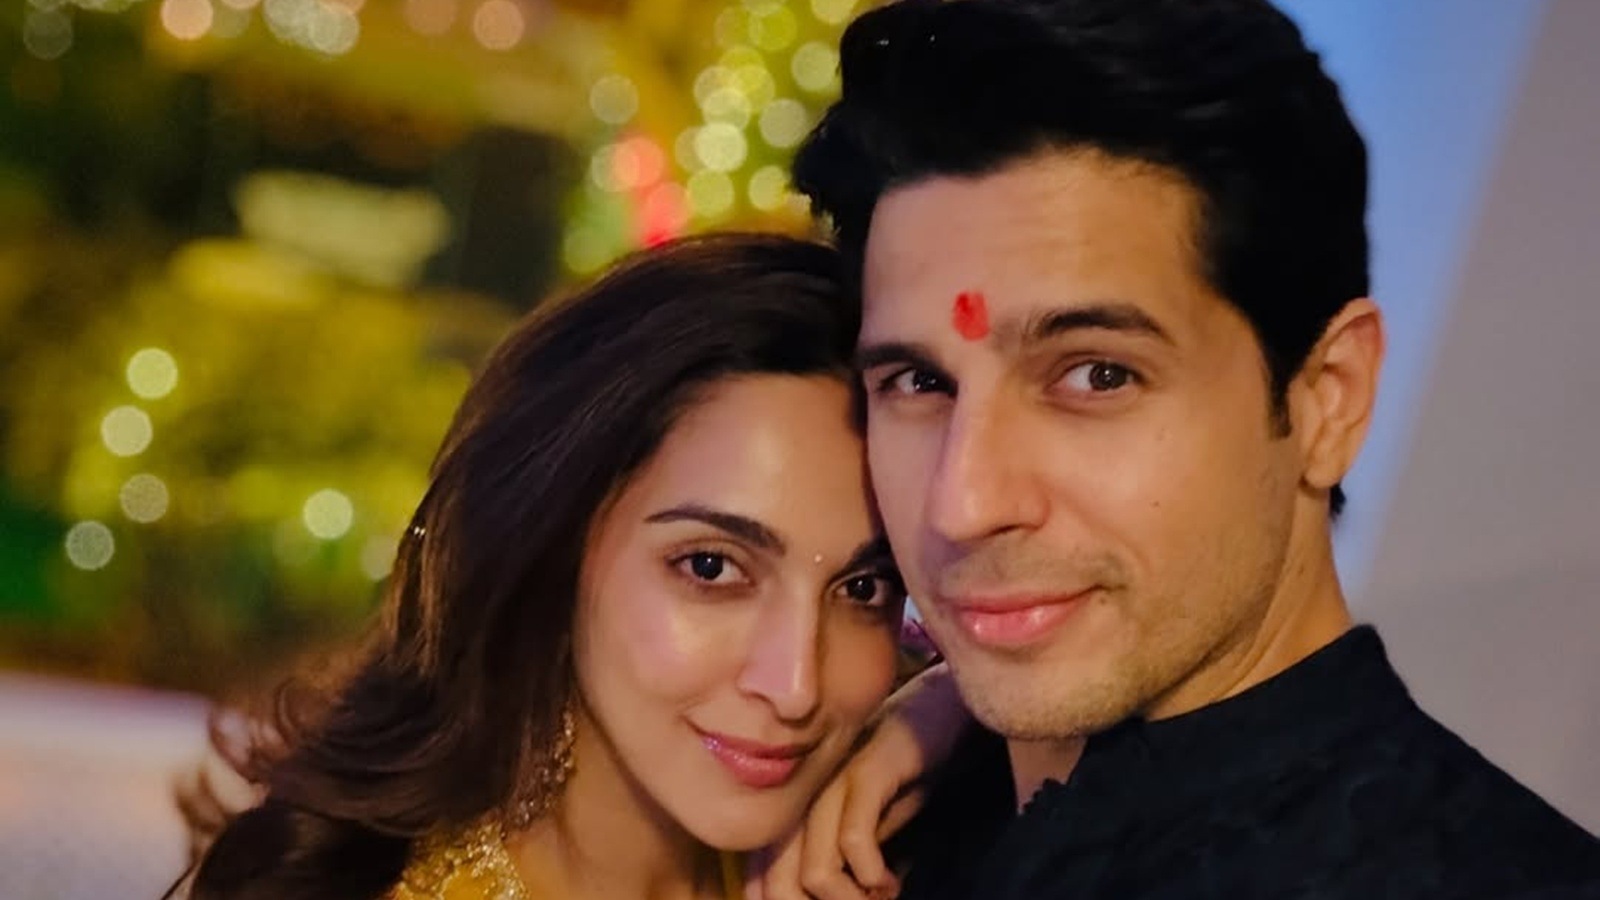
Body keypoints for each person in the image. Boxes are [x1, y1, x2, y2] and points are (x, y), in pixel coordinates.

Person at [759, 0, 1600, 897]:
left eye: (1097, 376)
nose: (962, 504)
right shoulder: (893, 828)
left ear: (1328, 398)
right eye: (920, 383)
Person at [173, 233, 912, 900]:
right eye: (713, 568)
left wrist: (932, 722)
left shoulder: (887, 853)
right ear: (558, 545)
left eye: (864, 587)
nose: (795, 686)